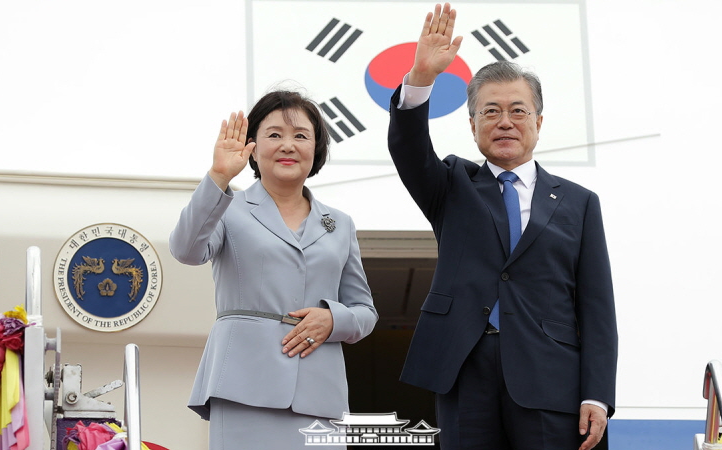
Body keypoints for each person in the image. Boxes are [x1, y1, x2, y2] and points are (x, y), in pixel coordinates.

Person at [387, 4, 617, 450]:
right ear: (472, 124)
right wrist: (420, 78)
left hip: (551, 374)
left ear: (539, 123)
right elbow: (408, 147)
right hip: (465, 367)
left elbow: (597, 307)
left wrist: (598, 392)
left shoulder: (579, 203)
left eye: (518, 110)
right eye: (491, 112)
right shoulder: (453, 185)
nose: (505, 121)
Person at [170, 90, 378, 450]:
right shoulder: (228, 207)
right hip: (243, 385)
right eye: (274, 134)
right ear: (252, 146)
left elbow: (365, 311)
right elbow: (186, 251)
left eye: (300, 136)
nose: (288, 145)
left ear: (316, 149)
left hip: (319, 394)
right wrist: (218, 177)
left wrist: (333, 319)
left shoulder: (339, 224)